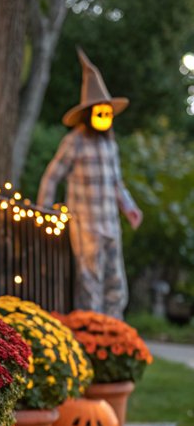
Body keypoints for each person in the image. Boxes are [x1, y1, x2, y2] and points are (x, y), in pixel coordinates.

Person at [36, 47, 142, 319]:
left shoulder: (110, 145)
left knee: (116, 285)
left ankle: (114, 332)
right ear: (89, 114)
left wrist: (129, 207)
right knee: (90, 283)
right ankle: (90, 331)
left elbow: (117, 183)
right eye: (100, 113)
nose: (105, 118)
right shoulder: (75, 142)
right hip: (86, 224)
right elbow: (52, 175)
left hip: (110, 223)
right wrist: (44, 210)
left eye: (108, 113)